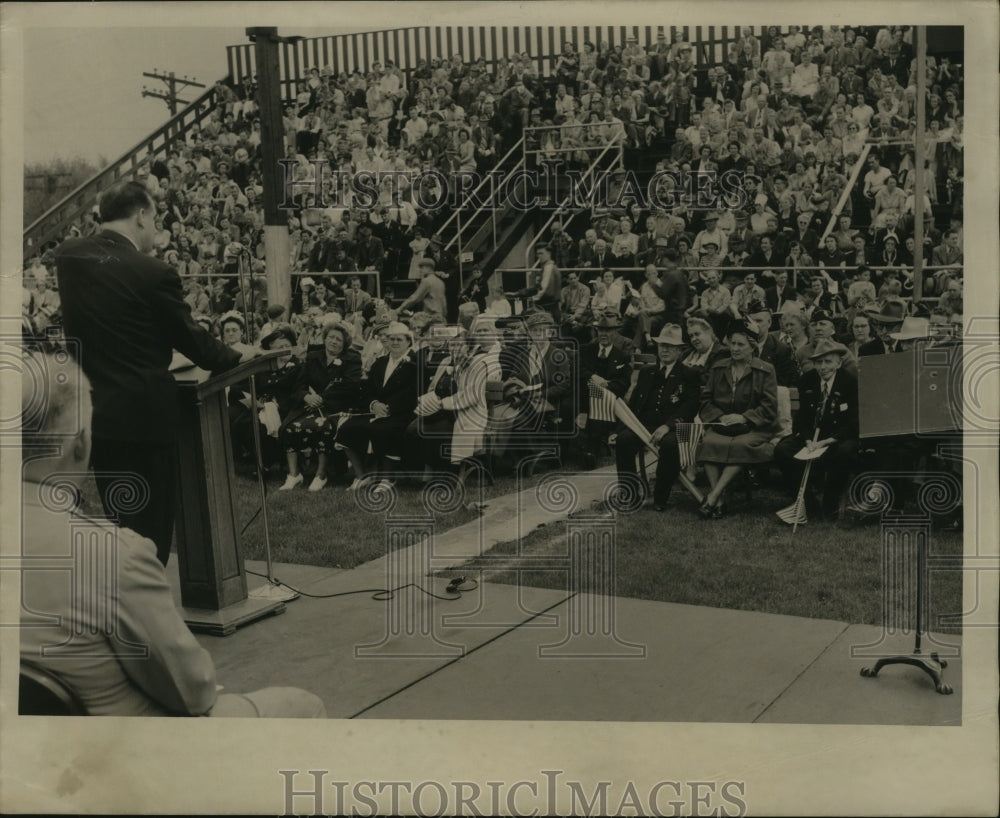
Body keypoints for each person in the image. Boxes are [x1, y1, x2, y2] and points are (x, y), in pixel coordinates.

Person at [20, 351, 325, 717]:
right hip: (125, 752)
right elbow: (193, 692)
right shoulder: (113, 557)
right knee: (303, 706)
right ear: (82, 442)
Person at [55, 182, 248, 566]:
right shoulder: (154, 271)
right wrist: (239, 354)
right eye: (155, 219)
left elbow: (116, 322)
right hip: (144, 419)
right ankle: (145, 616)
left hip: (98, 416)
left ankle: (125, 610)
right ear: (141, 215)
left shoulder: (69, 257)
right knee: (150, 531)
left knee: (121, 523)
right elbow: (197, 344)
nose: (154, 228)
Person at [612, 324, 700, 512]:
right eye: (662, 345)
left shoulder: (689, 374)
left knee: (669, 445)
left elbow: (690, 407)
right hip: (645, 425)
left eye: (670, 346)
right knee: (623, 440)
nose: (665, 349)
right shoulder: (647, 372)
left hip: (674, 427)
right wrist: (620, 429)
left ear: (679, 350)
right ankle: (630, 495)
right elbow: (634, 405)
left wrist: (668, 426)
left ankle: (660, 497)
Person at [696, 319, 779, 518]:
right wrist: (720, 416)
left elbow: (769, 407)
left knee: (741, 445)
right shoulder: (719, 368)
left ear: (752, 347)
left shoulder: (765, 370)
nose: (735, 348)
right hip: (724, 426)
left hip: (754, 427)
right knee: (709, 442)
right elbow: (705, 400)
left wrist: (744, 418)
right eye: (732, 343)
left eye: (741, 344)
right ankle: (720, 501)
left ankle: (713, 496)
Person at [774, 338, 859, 522]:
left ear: (838, 363)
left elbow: (853, 423)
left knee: (845, 453)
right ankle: (807, 502)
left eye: (828, 362)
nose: (823, 367)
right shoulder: (807, 380)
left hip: (837, 438)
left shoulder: (850, 382)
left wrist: (827, 441)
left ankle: (830, 502)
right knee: (782, 450)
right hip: (811, 438)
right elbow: (802, 419)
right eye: (818, 362)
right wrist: (807, 440)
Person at [278, 321, 362, 491]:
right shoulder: (313, 357)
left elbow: (350, 387)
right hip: (308, 406)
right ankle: (294, 475)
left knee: (323, 427)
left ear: (345, 343)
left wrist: (321, 399)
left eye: (339, 339)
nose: (334, 341)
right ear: (324, 339)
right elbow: (298, 386)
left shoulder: (352, 359)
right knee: (289, 427)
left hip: (335, 406)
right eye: (331, 337)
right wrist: (306, 396)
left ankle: (320, 474)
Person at [335, 321, 419, 490]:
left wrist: (389, 408)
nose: (394, 342)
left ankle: (388, 479)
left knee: (385, 430)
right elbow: (366, 390)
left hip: (403, 413)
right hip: (376, 411)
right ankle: (362, 475)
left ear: (409, 342)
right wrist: (373, 404)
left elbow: (414, 393)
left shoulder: (415, 363)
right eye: (391, 339)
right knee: (347, 428)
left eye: (399, 339)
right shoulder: (380, 362)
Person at [576, 314, 633, 470]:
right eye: (600, 330)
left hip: (608, 398)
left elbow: (624, 383)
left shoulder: (621, 356)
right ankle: (585, 448)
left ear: (614, 333)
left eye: (608, 331)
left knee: (599, 400)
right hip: (584, 395)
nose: (604, 334)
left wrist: (606, 387)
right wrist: (593, 377)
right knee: (581, 401)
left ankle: (591, 451)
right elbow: (577, 370)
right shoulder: (587, 350)